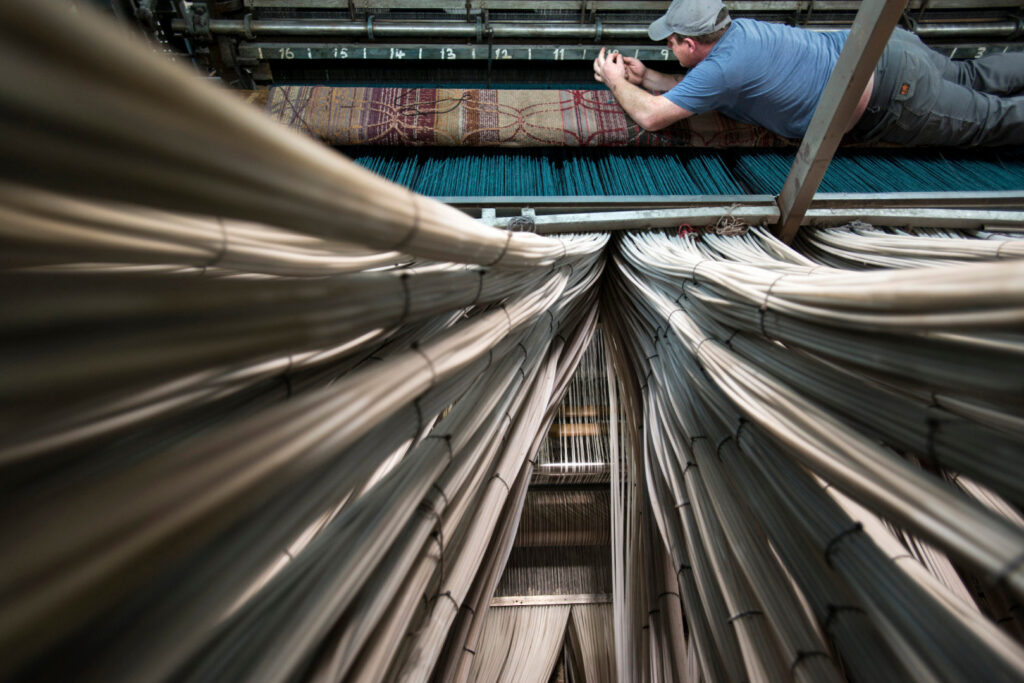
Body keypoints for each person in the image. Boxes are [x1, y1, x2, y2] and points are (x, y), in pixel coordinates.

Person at [592, 0, 1024, 146]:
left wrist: (614, 82)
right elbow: (700, 90)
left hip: (897, 94)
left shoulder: (723, 68)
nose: (668, 49)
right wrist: (646, 78)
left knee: (991, 121)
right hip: (889, 48)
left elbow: (651, 117)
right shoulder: (738, 33)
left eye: (671, 43)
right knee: (974, 77)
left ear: (690, 44)